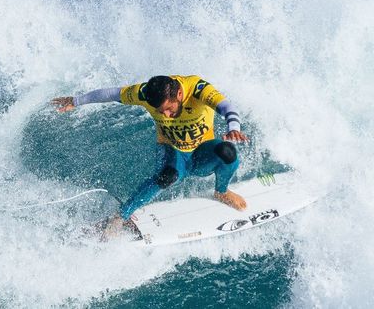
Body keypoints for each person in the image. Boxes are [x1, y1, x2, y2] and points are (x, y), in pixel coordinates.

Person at [51, 74, 249, 234]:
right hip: (173, 152)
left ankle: (222, 191)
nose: (166, 116)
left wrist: (234, 126)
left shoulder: (197, 88)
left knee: (228, 151)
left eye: (168, 109)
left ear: (179, 94)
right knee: (167, 176)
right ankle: (121, 216)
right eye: (160, 111)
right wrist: (76, 101)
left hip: (201, 152)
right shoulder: (145, 93)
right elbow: (112, 93)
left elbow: (226, 106)